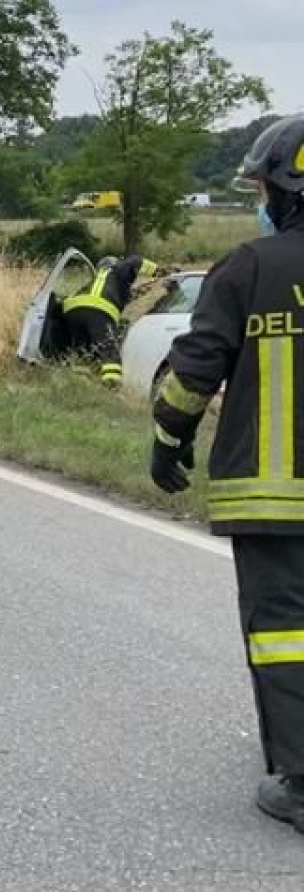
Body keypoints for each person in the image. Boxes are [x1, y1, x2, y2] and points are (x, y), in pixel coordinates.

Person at [150, 112, 304, 836]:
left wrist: (167, 437)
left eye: (265, 186)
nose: (261, 200)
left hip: (274, 501)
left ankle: (301, 786)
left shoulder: (248, 268)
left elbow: (194, 370)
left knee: (286, 633)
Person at [63, 253, 169, 389]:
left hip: (72, 310)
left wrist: (150, 287)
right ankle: (112, 386)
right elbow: (134, 260)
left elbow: (127, 296)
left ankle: (79, 385)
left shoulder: (97, 279)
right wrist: (160, 271)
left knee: (83, 351)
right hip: (97, 309)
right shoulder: (116, 269)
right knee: (110, 351)